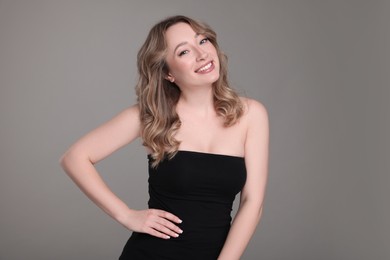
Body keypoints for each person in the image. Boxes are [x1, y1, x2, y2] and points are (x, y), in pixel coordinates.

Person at [60, 15, 269, 259]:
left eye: (202, 41)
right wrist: (126, 215)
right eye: (183, 52)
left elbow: (253, 203)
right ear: (168, 73)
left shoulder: (251, 114)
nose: (201, 54)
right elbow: (74, 157)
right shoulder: (152, 116)